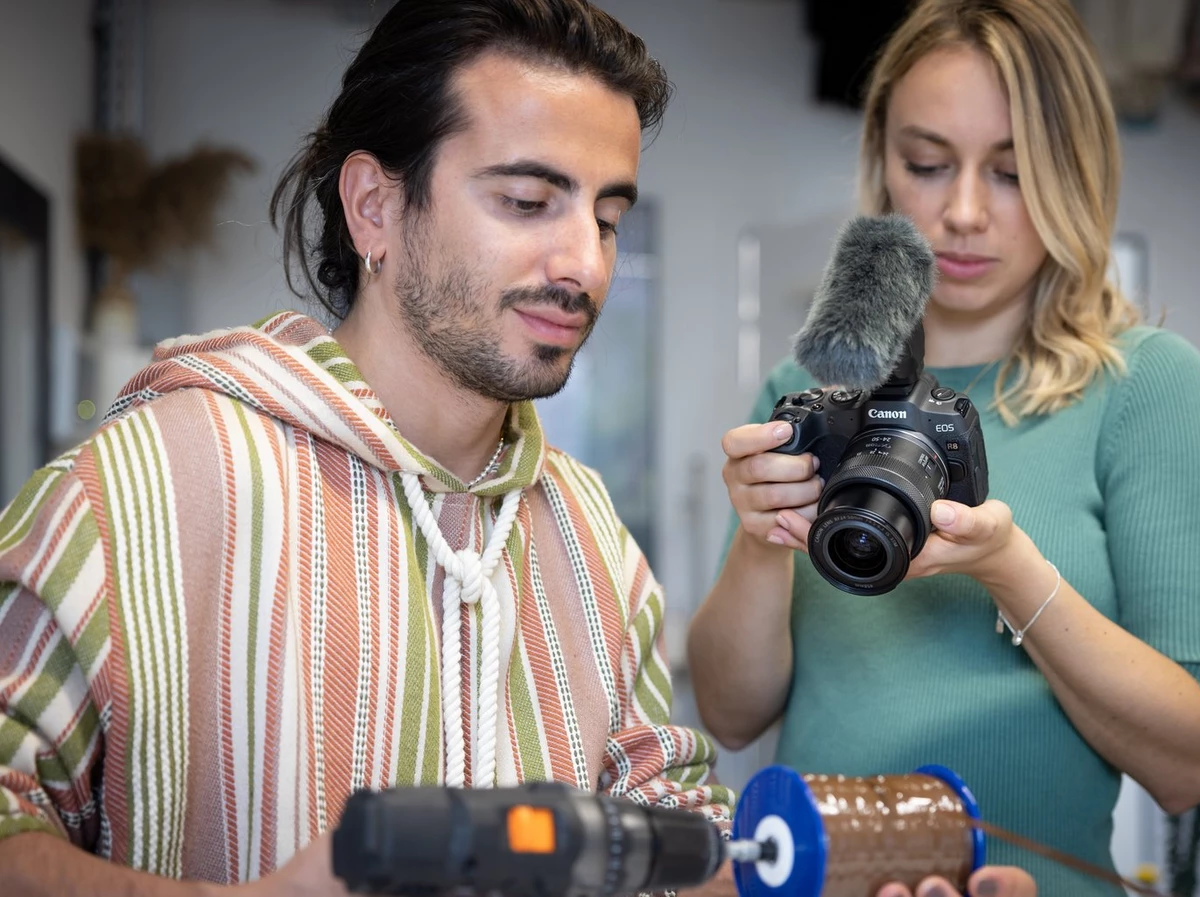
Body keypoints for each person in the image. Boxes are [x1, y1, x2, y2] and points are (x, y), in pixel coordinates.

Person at [0, 2, 1039, 896]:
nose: (584, 263)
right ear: (375, 207)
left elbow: (672, 854)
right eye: (528, 202)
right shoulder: (138, 489)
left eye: (607, 214)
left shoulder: (590, 541)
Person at [687, 1, 1200, 895]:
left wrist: (1011, 570)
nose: (959, 213)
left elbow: (1189, 764)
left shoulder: (1148, 392)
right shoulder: (816, 386)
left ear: (1072, 173)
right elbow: (730, 714)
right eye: (925, 163)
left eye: (1010, 172)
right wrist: (764, 540)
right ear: (882, 158)